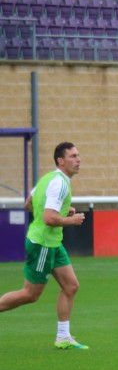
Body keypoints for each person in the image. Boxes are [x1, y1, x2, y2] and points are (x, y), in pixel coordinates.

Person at [0, 142, 88, 349]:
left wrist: (62, 212)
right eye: (73, 156)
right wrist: (71, 220)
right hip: (43, 244)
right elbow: (49, 218)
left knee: (71, 286)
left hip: (52, 243)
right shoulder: (60, 184)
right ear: (61, 161)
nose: (78, 159)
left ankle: (63, 337)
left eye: (78, 155)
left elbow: (29, 203)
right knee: (30, 294)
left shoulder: (49, 178)